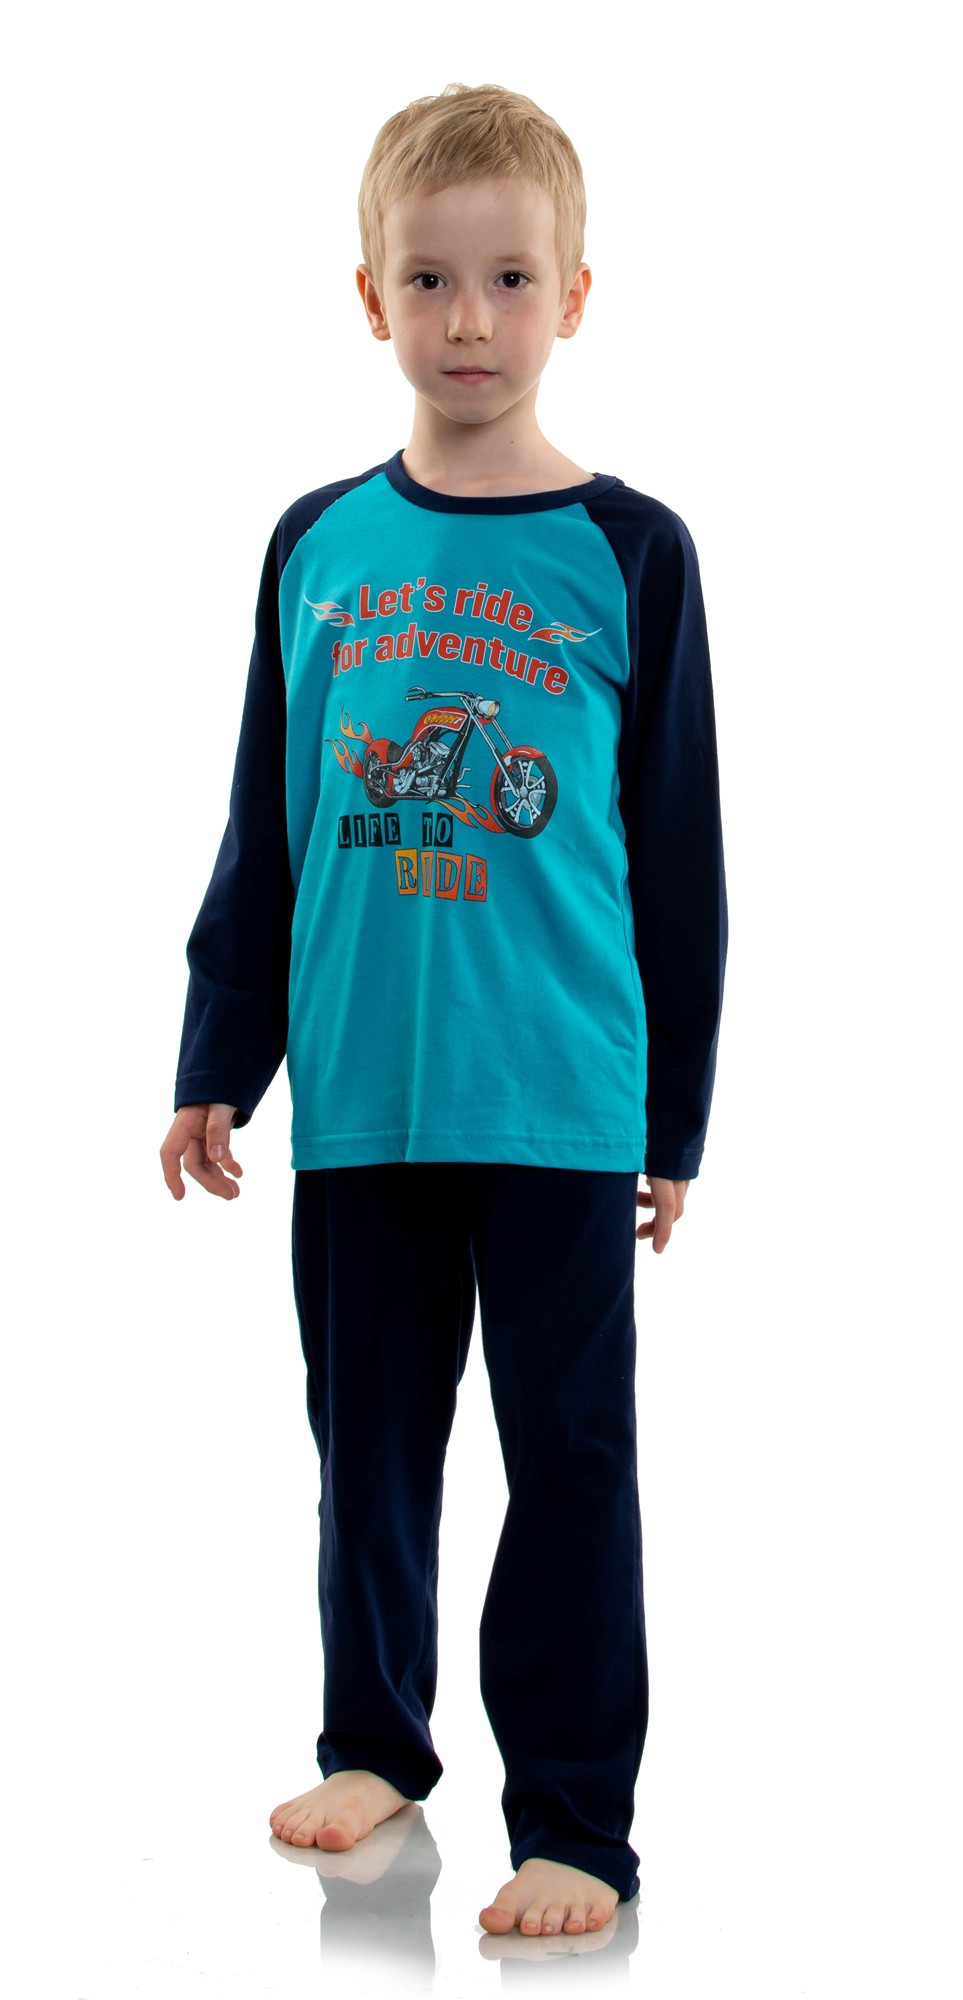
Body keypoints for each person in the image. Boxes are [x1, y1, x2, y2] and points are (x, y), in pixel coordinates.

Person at [160, 81, 727, 1941]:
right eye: (427, 279)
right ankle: (375, 1744)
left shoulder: (633, 551)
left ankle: (572, 1821)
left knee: (569, 1467)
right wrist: (218, 1059)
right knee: (369, 1452)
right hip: (365, 1103)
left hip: (559, 1101)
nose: (467, 319)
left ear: (575, 298)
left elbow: (680, 855)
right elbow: (267, 824)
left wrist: (671, 1118)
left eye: (508, 279)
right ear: (369, 297)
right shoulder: (315, 544)